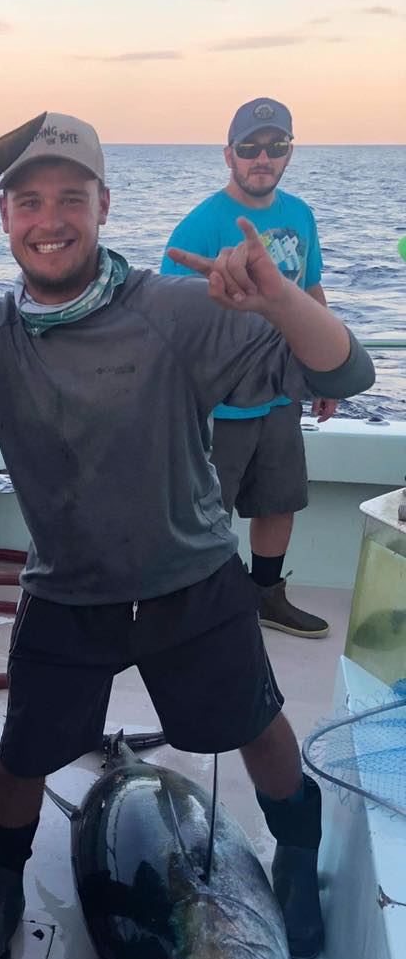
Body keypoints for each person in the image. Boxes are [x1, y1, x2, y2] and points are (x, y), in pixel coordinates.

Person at [0, 113, 374, 959]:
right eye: (30, 201)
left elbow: (345, 372)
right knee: (23, 755)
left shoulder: (175, 309)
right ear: (4, 217)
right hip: (66, 590)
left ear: (104, 205)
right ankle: (2, 884)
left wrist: (280, 301)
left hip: (191, 579)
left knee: (258, 727)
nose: (51, 219)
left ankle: (298, 851)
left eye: (71, 198)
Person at [162, 98, 334, 639]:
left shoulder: (301, 215)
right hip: (221, 404)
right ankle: (200, 612)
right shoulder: (198, 226)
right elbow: (167, 322)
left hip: (283, 393)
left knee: (279, 501)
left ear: (289, 153)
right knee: (207, 513)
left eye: (276, 146)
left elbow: (311, 291)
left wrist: (325, 371)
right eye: (250, 147)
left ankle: (266, 597)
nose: (263, 157)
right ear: (229, 154)